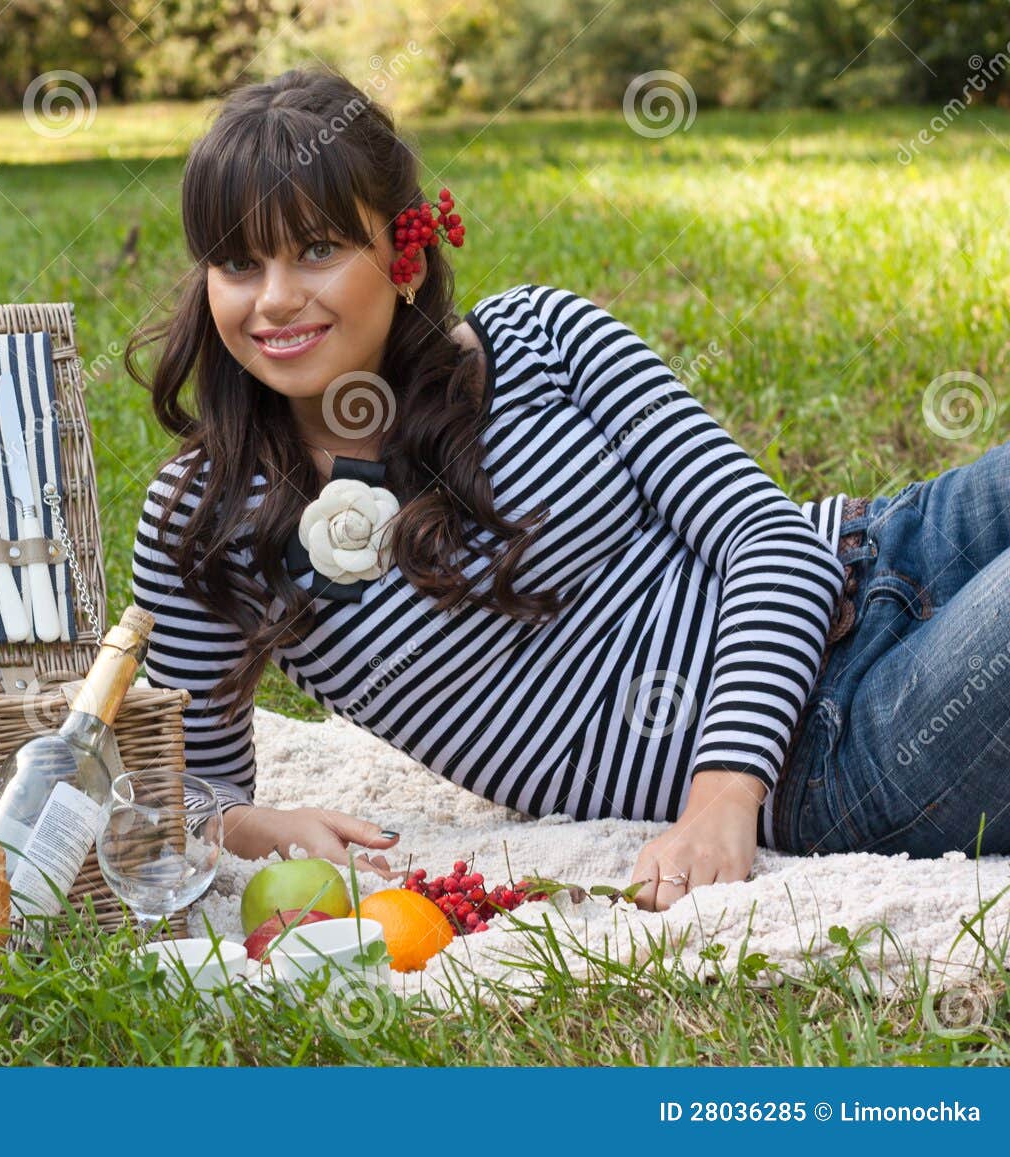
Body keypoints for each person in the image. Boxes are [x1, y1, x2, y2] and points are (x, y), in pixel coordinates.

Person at [125, 65, 1010, 913]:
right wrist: (248, 824)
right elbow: (179, 794)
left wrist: (717, 802)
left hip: (886, 552)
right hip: (837, 748)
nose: (274, 298)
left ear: (405, 250)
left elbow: (769, 541)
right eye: (239, 263)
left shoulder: (540, 333)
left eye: (317, 249)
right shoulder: (202, 521)